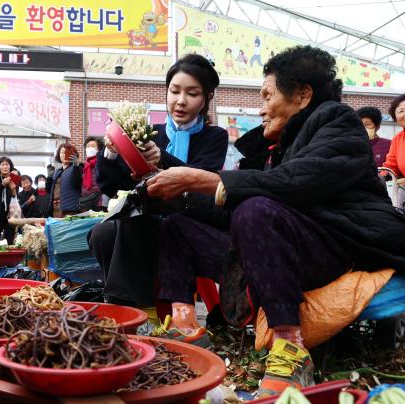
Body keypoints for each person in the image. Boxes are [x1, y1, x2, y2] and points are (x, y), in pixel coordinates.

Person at [145, 46, 405, 396]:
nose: (260, 107)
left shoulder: (338, 122)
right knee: (177, 226)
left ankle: (290, 347)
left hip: (335, 246)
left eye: (267, 95)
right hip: (269, 250)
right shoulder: (269, 148)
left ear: (301, 95)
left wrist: (202, 179)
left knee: (256, 210)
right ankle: (185, 325)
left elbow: (300, 181)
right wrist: (182, 195)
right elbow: (228, 209)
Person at [88, 54, 228, 308]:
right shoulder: (151, 133)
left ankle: (131, 309)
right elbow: (112, 187)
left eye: (192, 93)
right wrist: (111, 152)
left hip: (186, 220)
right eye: (174, 91)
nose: (181, 101)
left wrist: (163, 159)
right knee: (101, 233)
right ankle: (125, 303)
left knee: (136, 221)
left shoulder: (215, 136)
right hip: (148, 219)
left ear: (207, 98)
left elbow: (200, 178)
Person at [48, 144, 82, 217]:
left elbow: (77, 182)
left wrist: (76, 165)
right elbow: (48, 190)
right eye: (62, 152)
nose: (64, 155)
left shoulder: (77, 168)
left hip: (70, 209)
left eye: (67, 152)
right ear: (58, 155)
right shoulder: (57, 171)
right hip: (55, 208)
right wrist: (49, 177)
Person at [383, 94, 405, 178]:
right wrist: (382, 177)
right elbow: (390, 167)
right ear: (395, 119)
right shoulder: (397, 139)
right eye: (401, 111)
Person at [80, 137, 105, 211]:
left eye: (93, 146)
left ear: (99, 149)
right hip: (86, 201)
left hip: (99, 201)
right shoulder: (85, 166)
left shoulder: (102, 162)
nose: (90, 148)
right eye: (88, 146)